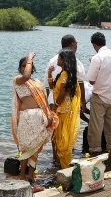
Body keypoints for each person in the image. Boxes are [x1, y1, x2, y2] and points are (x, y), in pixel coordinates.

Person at [11, 52, 58, 182]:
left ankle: (31, 174)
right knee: (26, 146)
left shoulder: (36, 82)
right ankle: (22, 175)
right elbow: (26, 75)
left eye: (28, 65)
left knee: (36, 147)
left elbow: (44, 97)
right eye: (23, 66)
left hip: (40, 117)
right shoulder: (18, 80)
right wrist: (30, 58)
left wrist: (48, 115)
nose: (26, 68)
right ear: (20, 68)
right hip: (27, 117)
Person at [87, 32, 111, 165]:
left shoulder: (97, 58)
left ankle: (95, 153)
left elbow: (91, 80)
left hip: (100, 96)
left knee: (96, 126)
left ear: (94, 45)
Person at [48, 49, 81, 168]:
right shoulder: (66, 74)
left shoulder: (65, 75)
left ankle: (65, 166)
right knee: (61, 138)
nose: (57, 60)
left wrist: (55, 106)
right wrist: (49, 75)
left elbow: (61, 94)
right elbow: (53, 88)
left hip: (63, 111)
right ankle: (63, 164)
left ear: (64, 60)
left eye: (59, 58)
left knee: (62, 139)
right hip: (65, 110)